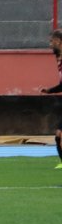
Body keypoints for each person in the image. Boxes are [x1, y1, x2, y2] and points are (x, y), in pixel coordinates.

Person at [40, 28, 62, 169]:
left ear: (59, 42)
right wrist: (50, 90)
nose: (50, 45)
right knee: (58, 136)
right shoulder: (59, 60)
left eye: (51, 41)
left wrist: (51, 90)